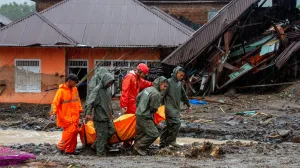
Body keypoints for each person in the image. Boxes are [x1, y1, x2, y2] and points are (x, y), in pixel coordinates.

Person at [133, 76, 168, 156]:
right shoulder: (156, 94)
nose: (165, 86)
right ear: (159, 83)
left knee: (141, 133)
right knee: (154, 134)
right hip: (145, 116)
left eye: (166, 84)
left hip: (138, 113)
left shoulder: (148, 89)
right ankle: (138, 147)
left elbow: (138, 97)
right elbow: (153, 108)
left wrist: (139, 107)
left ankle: (137, 148)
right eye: (164, 84)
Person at [50, 74, 83, 155]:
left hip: (75, 116)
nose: (75, 84)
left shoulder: (75, 89)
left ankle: (70, 150)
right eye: (74, 82)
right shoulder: (61, 91)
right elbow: (55, 103)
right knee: (70, 131)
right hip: (65, 117)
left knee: (75, 132)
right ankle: (60, 147)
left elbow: (77, 100)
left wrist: (80, 110)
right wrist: (53, 112)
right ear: (69, 81)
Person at [160, 66, 192, 148]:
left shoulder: (179, 84)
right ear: (176, 73)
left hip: (176, 108)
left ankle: (163, 143)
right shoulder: (168, 82)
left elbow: (183, 95)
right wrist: (156, 105)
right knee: (177, 123)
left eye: (182, 76)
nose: (181, 77)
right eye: (180, 75)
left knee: (169, 126)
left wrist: (188, 104)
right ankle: (171, 141)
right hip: (168, 108)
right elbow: (161, 94)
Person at [85, 72, 116, 157]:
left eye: (111, 83)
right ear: (105, 80)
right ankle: (100, 155)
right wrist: (88, 114)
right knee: (102, 135)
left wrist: (112, 113)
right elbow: (90, 102)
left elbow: (109, 103)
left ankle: (95, 145)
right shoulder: (97, 90)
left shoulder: (108, 90)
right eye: (109, 82)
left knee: (112, 130)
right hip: (100, 117)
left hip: (107, 116)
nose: (110, 84)